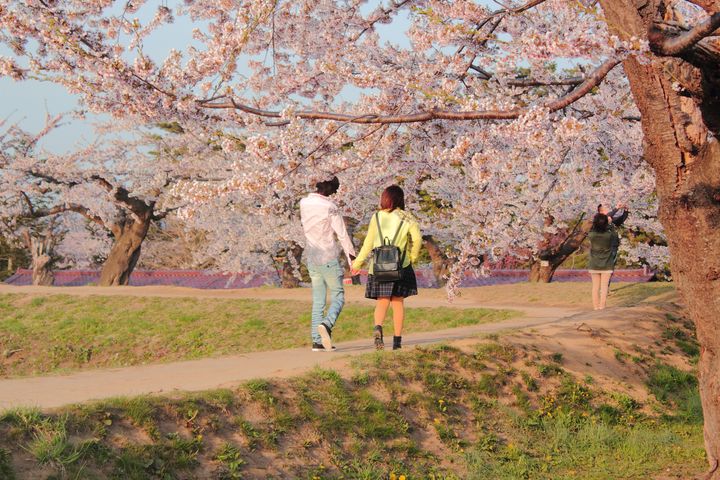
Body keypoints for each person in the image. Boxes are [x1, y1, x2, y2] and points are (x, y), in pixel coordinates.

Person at [351, 185, 422, 350]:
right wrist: (411, 257)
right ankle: (397, 342)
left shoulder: (376, 217)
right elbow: (417, 240)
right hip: (400, 266)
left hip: (379, 266)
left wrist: (357, 264)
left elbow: (368, 243)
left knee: (382, 301)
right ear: (400, 199)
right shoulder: (407, 217)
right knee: (397, 302)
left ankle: (378, 327)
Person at [299, 176, 356, 352]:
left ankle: (317, 341)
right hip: (328, 258)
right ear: (329, 188)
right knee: (338, 295)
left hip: (312, 257)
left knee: (318, 300)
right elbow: (342, 234)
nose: (335, 193)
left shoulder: (304, 202)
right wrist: (352, 259)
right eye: (335, 189)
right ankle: (327, 323)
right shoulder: (330, 208)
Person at [587, 213, 620, 310]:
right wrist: (610, 224)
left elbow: (592, 228)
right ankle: (602, 306)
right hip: (607, 263)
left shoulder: (591, 235)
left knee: (595, 287)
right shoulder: (609, 235)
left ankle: (595, 307)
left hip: (594, 263)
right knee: (604, 286)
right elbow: (616, 239)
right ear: (605, 223)